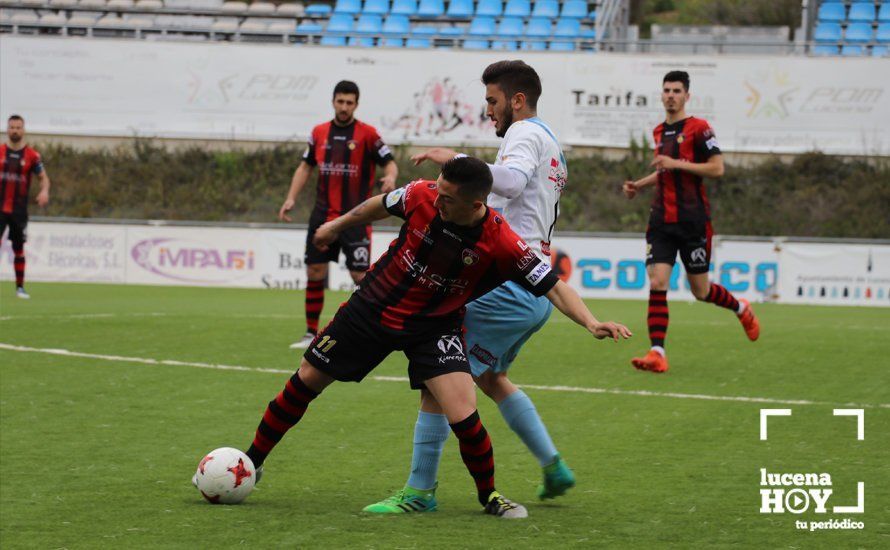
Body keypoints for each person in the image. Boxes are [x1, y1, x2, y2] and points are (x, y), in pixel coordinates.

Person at [239, 157, 631, 518]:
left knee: (464, 410)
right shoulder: (421, 193)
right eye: (437, 190)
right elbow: (378, 204)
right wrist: (337, 225)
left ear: (476, 203)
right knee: (307, 379)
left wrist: (591, 322)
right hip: (372, 308)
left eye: (447, 197)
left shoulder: (501, 241)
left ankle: (489, 496)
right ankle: (251, 462)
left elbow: (554, 286)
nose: (436, 198)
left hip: (434, 325)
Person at [365, 60, 576, 515]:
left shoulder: (524, 134)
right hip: (531, 289)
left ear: (517, 100)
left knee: (437, 374)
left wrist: (458, 163)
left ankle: (420, 491)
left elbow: (514, 182)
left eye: (492, 101)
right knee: (489, 377)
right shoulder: (551, 142)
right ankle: (553, 464)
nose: (489, 111)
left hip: (508, 283)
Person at [622, 70, 760, 374]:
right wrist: (639, 186)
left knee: (700, 290)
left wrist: (676, 163)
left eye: (676, 91)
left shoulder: (700, 129)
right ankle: (657, 352)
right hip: (661, 220)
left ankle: (741, 308)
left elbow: (717, 168)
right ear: (662, 95)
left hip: (692, 221)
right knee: (658, 281)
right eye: (667, 90)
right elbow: (666, 171)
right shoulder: (659, 131)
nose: (671, 95)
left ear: (687, 96)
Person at [278, 80, 398, 349]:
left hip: (356, 216)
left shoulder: (367, 134)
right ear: (333, 101)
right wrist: (291, 198)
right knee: (315, 270)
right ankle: (310, 333)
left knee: (360, 276)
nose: (344, 107)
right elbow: (305, 167)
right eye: (340, 101)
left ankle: (372, 329)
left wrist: (390, 178)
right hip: (322, 215)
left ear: (356, 104)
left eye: (349, 103)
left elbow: (389, 162)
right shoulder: (319, 132)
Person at [1, 115, 50, 300]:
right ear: (7, 129)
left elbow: (43, 177)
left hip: (19, 211)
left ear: (23, 130)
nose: (15, 130)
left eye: (18, 127)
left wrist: (44, 191)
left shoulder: (32, 155)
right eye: (12, 127)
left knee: (18, 249)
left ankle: (20, 288)